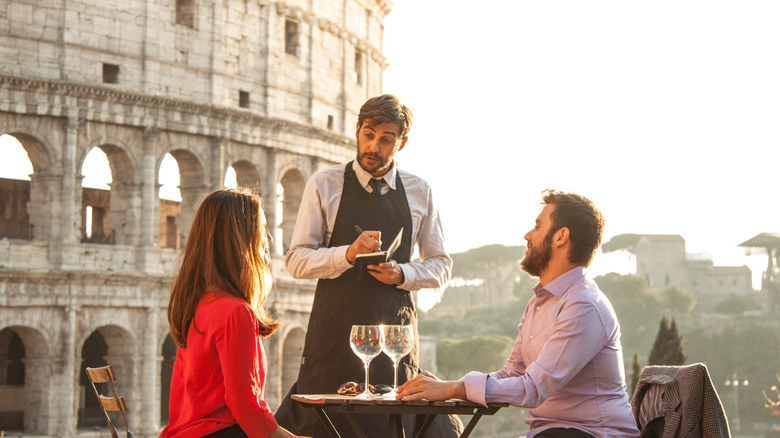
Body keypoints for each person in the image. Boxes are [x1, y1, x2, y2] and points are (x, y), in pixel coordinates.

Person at [274, 94, 462, 436]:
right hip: (334, 338)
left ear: (401, 143)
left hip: (396, 341)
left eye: (386, 139)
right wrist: (346, 254)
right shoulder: (323, 184)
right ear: (357, 129)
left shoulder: (421, 191)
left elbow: (441, 266)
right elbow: (296, 260)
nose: (374, 146)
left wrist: (402, 273)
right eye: (369, 134)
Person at [397, 190, 642, 438]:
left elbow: (534, 388)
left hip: (593, 434)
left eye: (537, 227)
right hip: (549, 433)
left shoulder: (583, 305)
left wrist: (452, 388)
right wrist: (446, 386)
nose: (528, 235)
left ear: (561, 236)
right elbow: (512, 374)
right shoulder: (539, 302)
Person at [161, 188, 305, 438]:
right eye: (262, 228)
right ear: (240, 238)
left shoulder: (199, 304)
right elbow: (244, 403)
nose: (269, 238)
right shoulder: (236, 312)